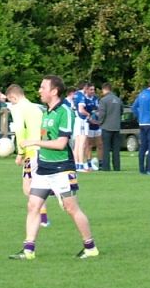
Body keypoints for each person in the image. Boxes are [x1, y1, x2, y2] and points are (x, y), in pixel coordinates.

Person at [9, 75, 98, 260]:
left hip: (61, 169)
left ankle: (90, 247)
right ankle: (28, 250)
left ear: (54, 91)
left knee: (71, 208)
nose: (39, 90)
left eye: (43, 87)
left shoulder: (64, 111)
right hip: (44, 168)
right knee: (33, 205)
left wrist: (33, 142)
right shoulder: (46, 111)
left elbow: (60, 143)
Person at [5, 83, 50, 230]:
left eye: (10, 100)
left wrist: (20, 152)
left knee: (28, 187)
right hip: (43, 149)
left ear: (13, 97)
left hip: (31, 150)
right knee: (38, 183)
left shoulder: (18, 108)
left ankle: (41, 216)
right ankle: (43, 217)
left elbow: (19, 131)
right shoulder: (36, 108)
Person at [131, 80, 150, 174]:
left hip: (142, 123)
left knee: (143, 147)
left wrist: (139, 116)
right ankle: (149, 168)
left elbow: (134, 107)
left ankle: (141, 169)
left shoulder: (141, 94)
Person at [97, 83, 123, 171]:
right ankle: (117, 167)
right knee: (116, 149)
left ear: (104, 89)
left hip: (106, 127)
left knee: (106, 148)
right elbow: (121, 111)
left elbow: (102, 114)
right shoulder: (118, 99)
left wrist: (99, 122)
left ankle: (106, 167)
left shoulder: (103, 100)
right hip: (116, 127)